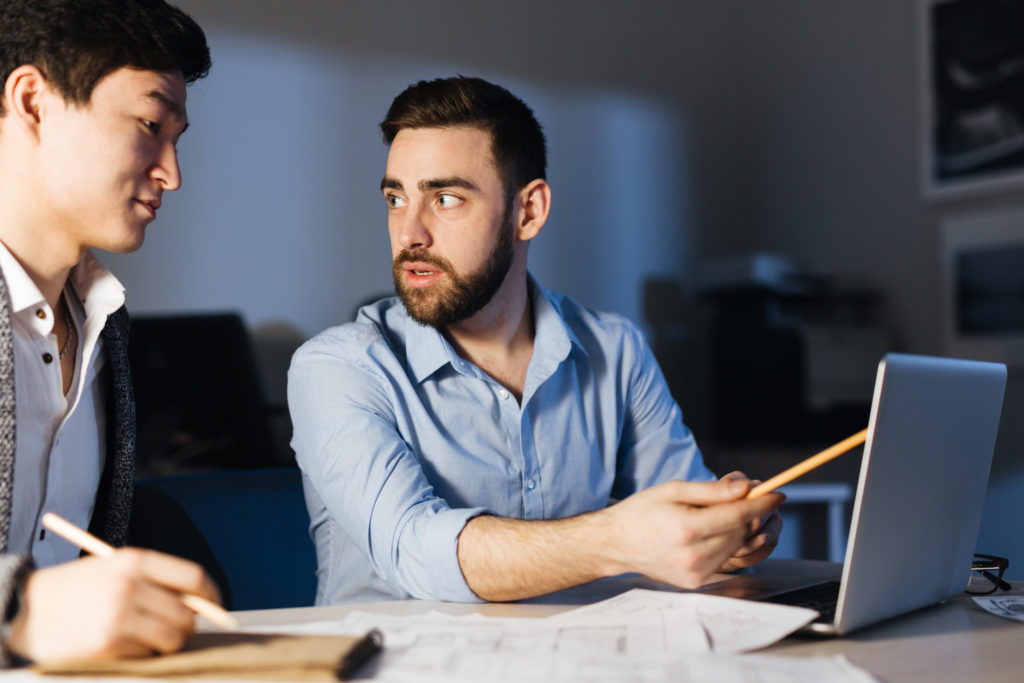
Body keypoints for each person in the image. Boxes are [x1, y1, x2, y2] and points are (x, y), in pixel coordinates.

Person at [288, 76, 784, 604]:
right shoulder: (334, 368)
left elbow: (689, 521)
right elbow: (415, 553)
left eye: (446, 198)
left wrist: (725, 536)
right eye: (395, 198)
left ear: (529, 212)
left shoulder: (616, 351)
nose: (409, 232)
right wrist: (616, 540)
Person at [0, 0, 219, 665]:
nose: (171, 174)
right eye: (151, 124)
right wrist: (21, 611)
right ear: (33, 101)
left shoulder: (105, 323)